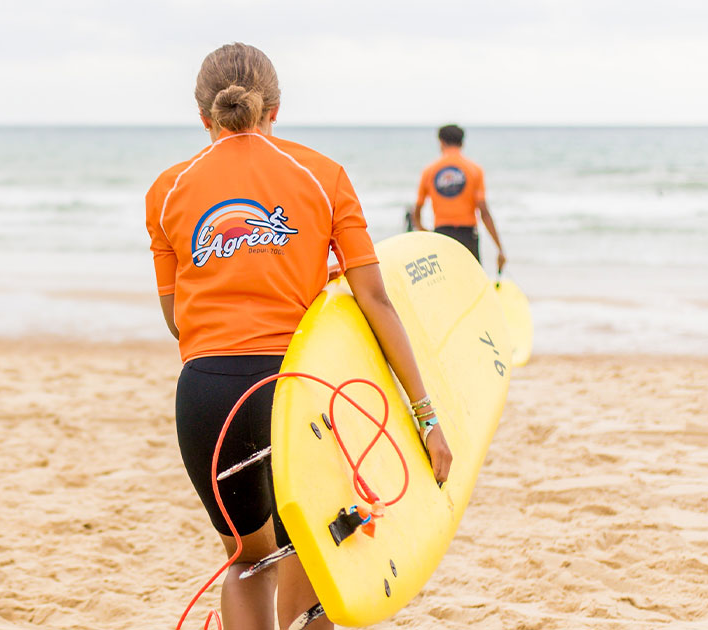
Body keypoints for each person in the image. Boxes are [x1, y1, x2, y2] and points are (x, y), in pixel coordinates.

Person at [146, 43, 452, 630]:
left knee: (247, 562)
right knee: (311, 553)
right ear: (276, 109)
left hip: (209, 394)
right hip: (296, 387)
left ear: (203, 115)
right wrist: (425, 415)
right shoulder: (323, 174)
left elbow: (179, 320)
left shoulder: (166, 191)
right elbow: (377, 301)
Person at [410, 124, 506, 271]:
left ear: (441, 142)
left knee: (445, 284)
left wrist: (425, 232)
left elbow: (416, 211)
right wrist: (499, 248)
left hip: (442, 235)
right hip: (468, 236)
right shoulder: (474, 170)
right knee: (471, 283)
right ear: (462, 143)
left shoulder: (429, 171)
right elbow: (484, 212)